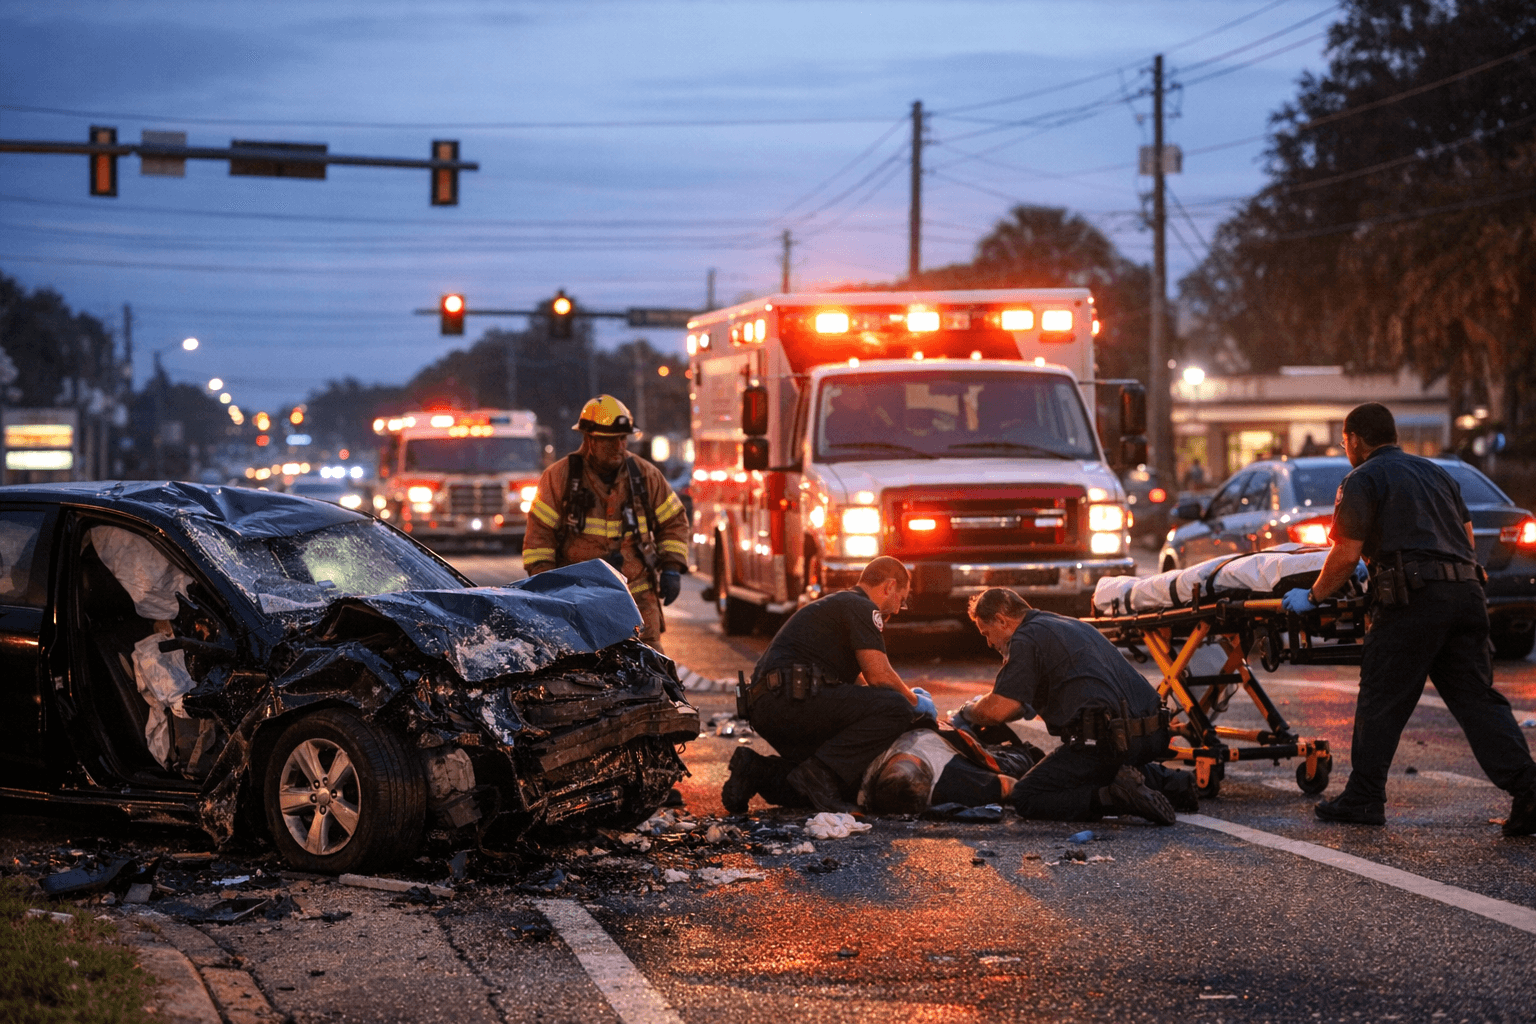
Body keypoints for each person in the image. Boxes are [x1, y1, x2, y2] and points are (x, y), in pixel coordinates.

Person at [1282, 402, 1536, 834]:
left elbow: (1345, 553)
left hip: (1412, 600)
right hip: (1466, 595)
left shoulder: (1363, 478)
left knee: (1381, 697)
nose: (1346, 449)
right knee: (1478, 701)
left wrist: (1313, 595)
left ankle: (1364, 798)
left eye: (1344, 442)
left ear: (1355, 439)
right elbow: (1466, 539)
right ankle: (1529, 790)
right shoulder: (1439, 474)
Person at [721, 556, 935, 814]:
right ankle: (819, 774)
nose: (898, 610)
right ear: (889, 586)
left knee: (841, 781)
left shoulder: (837, 606)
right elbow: (879, 676)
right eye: (902, 599)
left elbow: (859, 687)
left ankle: (756, 771)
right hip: (792, 700)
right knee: (895, 708)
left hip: (769, 706)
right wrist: (915, 702)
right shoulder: (861, 606)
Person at [958, 587, 1178, 825]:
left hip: (1109, 742)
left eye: (986, 633)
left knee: (1027, 796)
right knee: (1094, 766)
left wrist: (967, 712)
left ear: (1002, 620)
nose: (989, 643)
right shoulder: (1071, 625)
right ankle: (1177, 785)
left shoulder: (1025, 638)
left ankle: (1114, 796)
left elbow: (999, 709)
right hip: (1152, 736)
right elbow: (1023, 705)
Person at [523, 395, 690, 653]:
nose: (619, 446)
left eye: (623, 438)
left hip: (638, 600)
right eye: (610, 440)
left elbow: (673, 522)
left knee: (653, 669)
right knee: (584, 671)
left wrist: (672, 567)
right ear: (589, 439)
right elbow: (539, 540)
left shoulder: (645, 476)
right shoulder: (558, 478)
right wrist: (549, 591)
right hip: (578, 603)